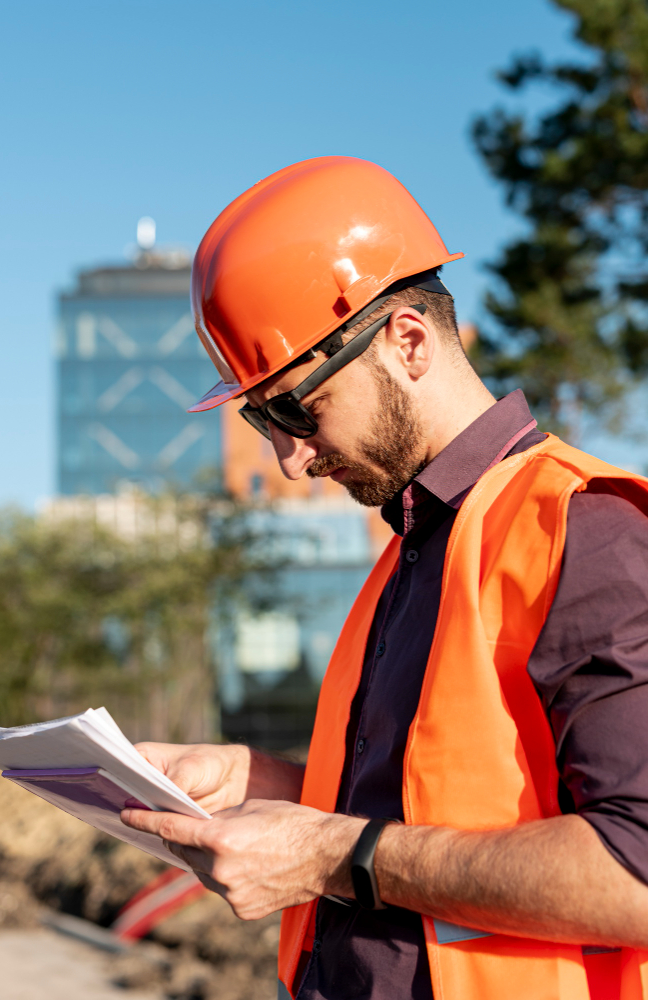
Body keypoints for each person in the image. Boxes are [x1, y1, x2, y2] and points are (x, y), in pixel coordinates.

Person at [121, 156, 648, 1000]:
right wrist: (265, 785)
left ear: (406, 339)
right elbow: (440, 812)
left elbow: (637, 873)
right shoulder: (414, 551)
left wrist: (330, 853)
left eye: (295, 408)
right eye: (259, 419)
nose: (288, 459)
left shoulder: (584, 533)